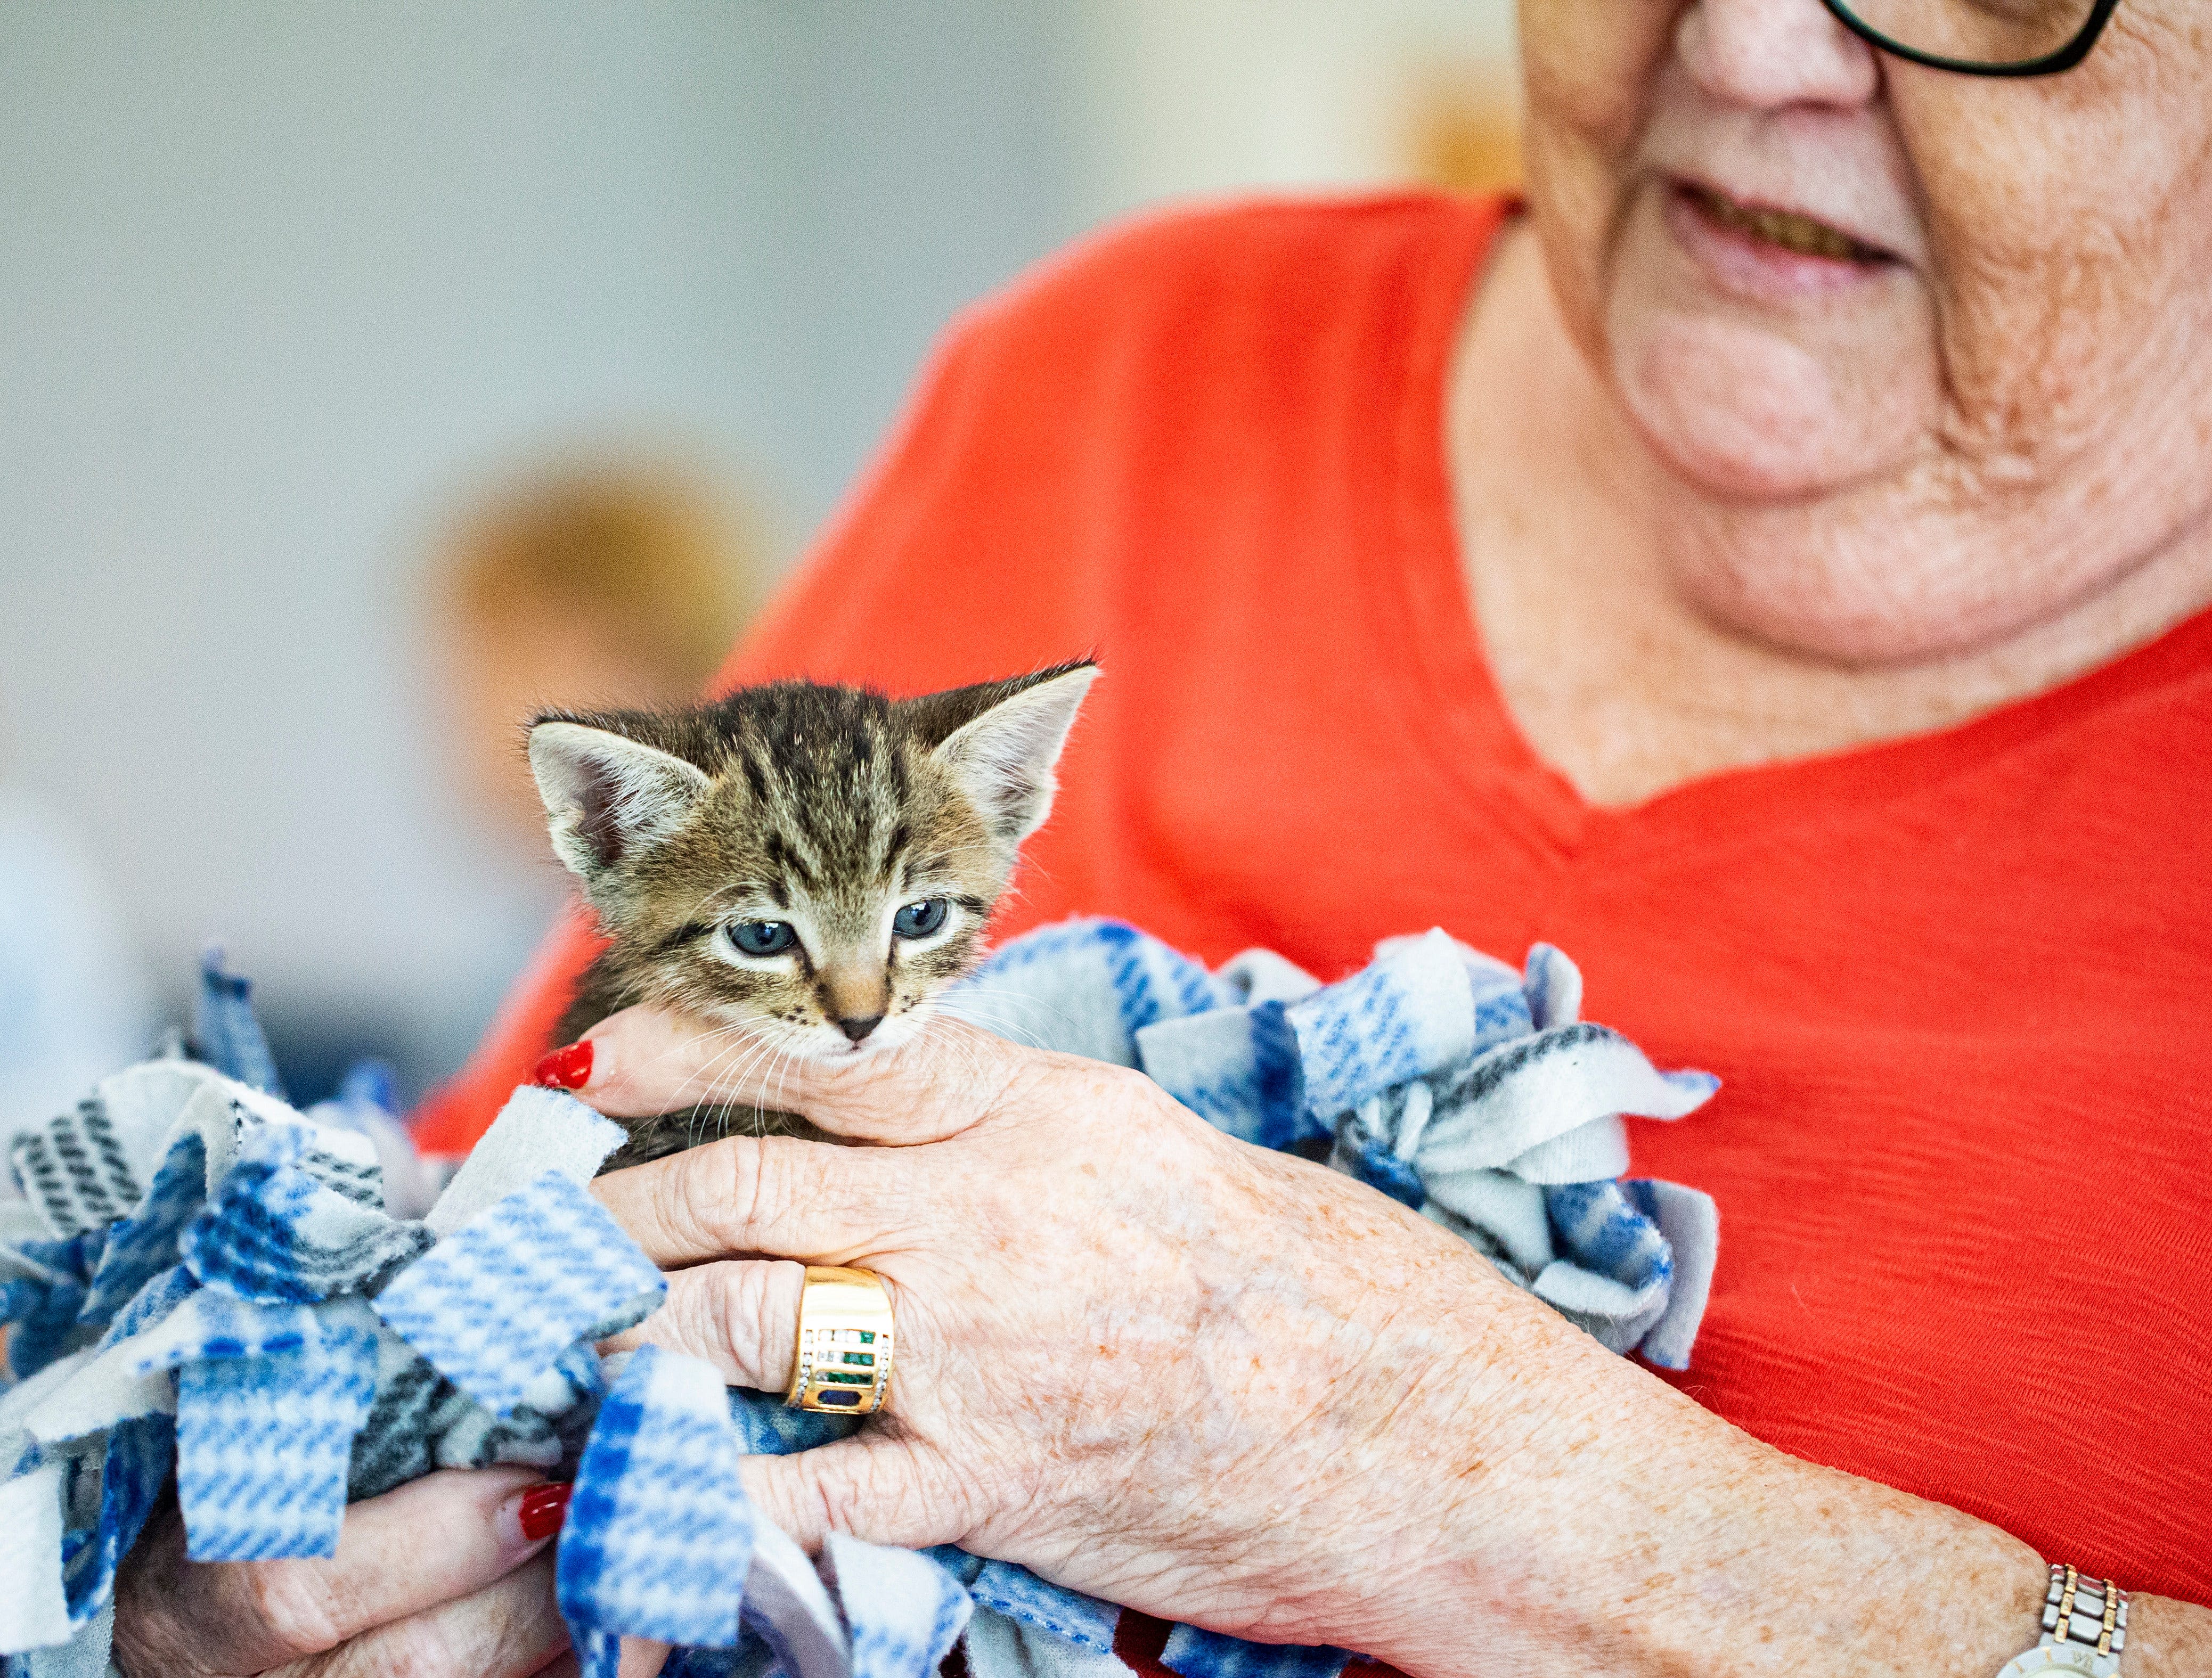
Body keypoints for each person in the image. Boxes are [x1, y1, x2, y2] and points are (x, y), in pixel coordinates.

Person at [117, 1, 2212, 1673]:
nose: (1751, 40)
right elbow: (516, 1191)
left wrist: (1481, 1493)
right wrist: (265, 1544)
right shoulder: (1121, 375)